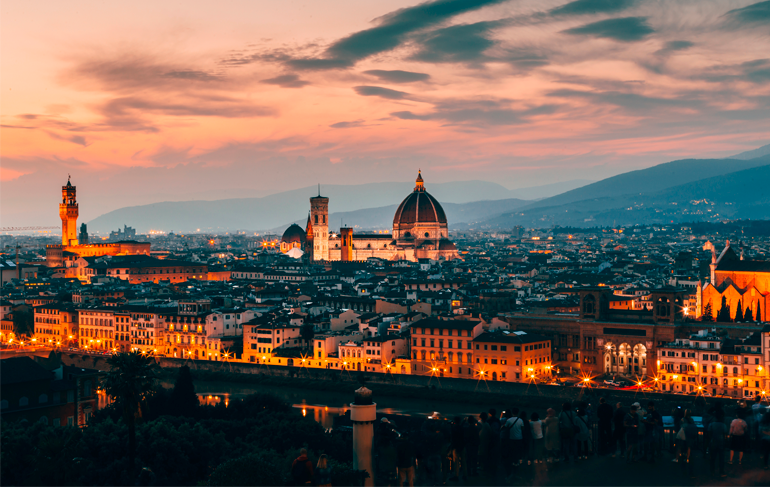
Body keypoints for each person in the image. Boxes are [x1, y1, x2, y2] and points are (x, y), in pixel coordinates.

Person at [707, 410, 727, 478]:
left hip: (713, 442)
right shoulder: (723, 425)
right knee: (721, 459)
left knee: (712, 458)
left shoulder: (711, 424)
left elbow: (709, 434)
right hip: (721, 443)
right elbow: (725, 435)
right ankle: (721, 472)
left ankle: (712, 472)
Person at [682, 410, 699, 478]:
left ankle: (684, 456)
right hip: (691, 436)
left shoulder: (683, 420)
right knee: (689, 447)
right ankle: (688, 457)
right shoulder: (691, 420)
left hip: (684, 434)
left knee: (684, 446)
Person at [449, 416, 467, 481]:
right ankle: (465, 475)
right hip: (462, 446)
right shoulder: (462, 428)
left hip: (456, 447)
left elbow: (452, 438)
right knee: (463, 461)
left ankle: (456, 475)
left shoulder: (453, 428)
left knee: (456, 462)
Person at [478, 412, 494, 476]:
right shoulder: (487, 424)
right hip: (485, 441)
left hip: (480, 440)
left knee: (480, 454)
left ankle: (481, 466)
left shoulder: (479, 423)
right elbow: (490, 432)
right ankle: (484, 466)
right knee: (484, 453)